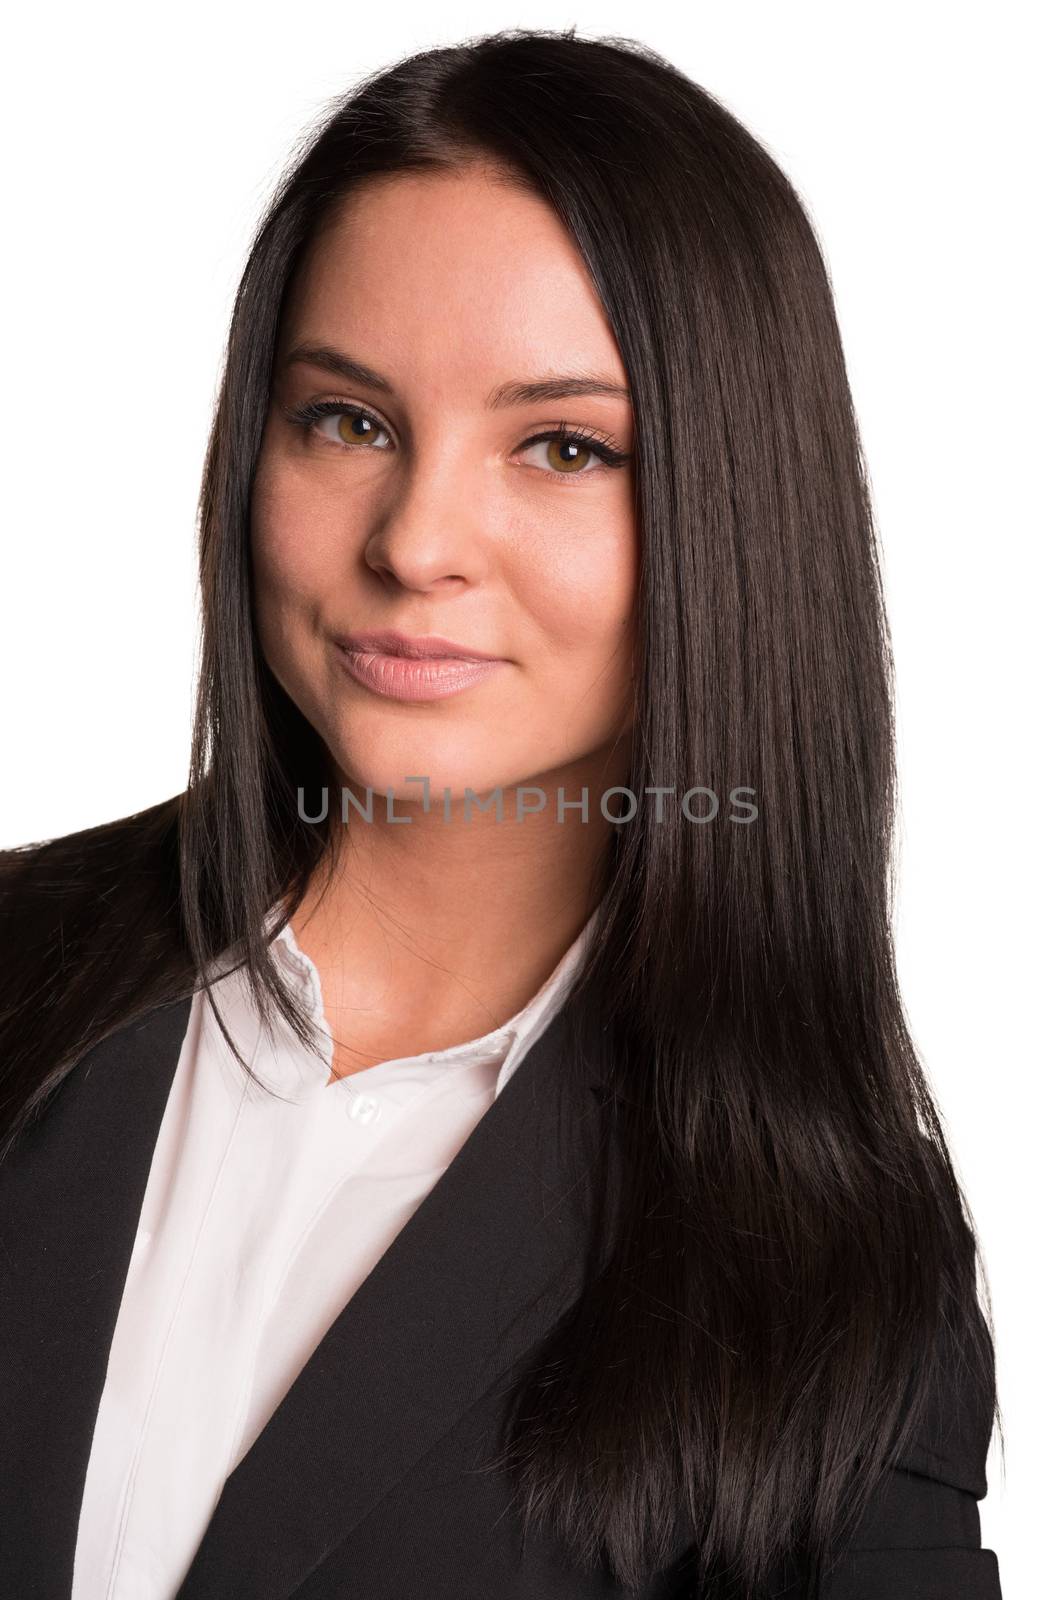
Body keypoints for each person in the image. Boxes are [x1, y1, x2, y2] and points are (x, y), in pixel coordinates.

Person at [0, 26, 1002, 1600]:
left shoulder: (838, 1262)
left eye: (560, 446)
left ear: (728, 512)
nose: (417, 541)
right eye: (349, 419)